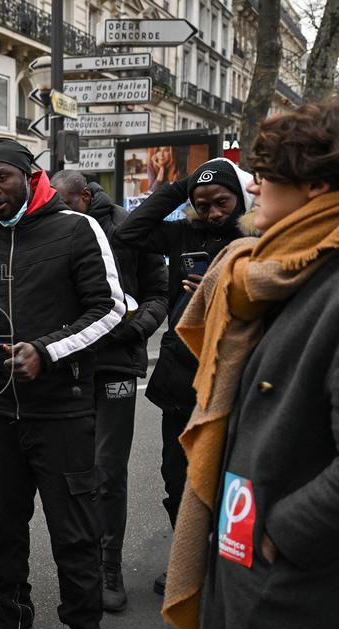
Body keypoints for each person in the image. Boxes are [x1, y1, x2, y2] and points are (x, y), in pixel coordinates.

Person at [162, 100, 339, 629]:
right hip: (248, 565)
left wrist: (283, 531)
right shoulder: (280, 268)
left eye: (267, 175)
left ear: (314, 185)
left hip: (292, 595)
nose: (255, 188)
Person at [0, 138, 125, 629]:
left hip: (63, 413)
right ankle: (15, 624)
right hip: (0, 417)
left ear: (30, 176)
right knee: (5, 529)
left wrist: (47, 352)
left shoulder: (78, 229)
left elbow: (111, 308)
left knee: (74, 539)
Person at [114, 156, 254, 594]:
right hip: (181, 381)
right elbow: (128, 233)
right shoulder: (182, 234)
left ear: (242, 199)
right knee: (178, 480)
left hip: (237, 380)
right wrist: (179, 188)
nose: (213, 213)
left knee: (234, 481)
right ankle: (192, 557)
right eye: (204, 203)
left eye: (223, 202)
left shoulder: (258, 236)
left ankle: (233, 566)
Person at [51, 171, 169, 612]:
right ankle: (81, 565)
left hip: (116, 362)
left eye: (65, 204)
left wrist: (133, 330)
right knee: (71, 471)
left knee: (108, 469)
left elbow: (160, 293)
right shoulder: (59, 227)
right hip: (70, 364)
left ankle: (109, 564)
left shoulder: (130, 227)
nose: (60, 213)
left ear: (85, 195)